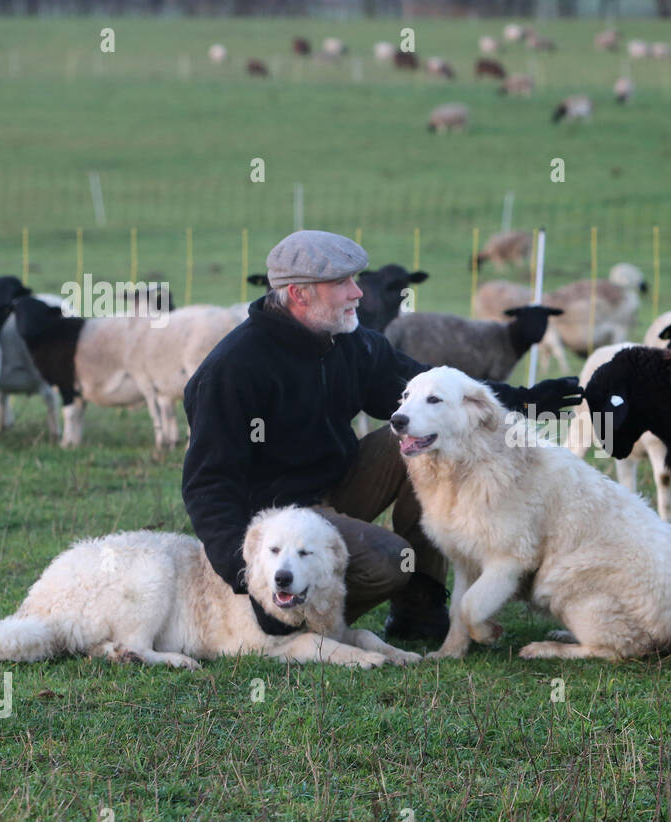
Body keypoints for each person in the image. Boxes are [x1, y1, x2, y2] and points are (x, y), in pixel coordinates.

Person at [182, 230, 581, 642]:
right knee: (391, 562)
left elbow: (425, 390)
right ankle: (294, 615)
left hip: (337, 483)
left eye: (355, 279)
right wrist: (251, 579)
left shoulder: (350, 343)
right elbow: (207, 485)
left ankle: (420, 609)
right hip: (280, 522)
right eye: (342, 283)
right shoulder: (231, 370)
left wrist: (526, 399)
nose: (360, 293)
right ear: (300, 295)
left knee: (424, 436)